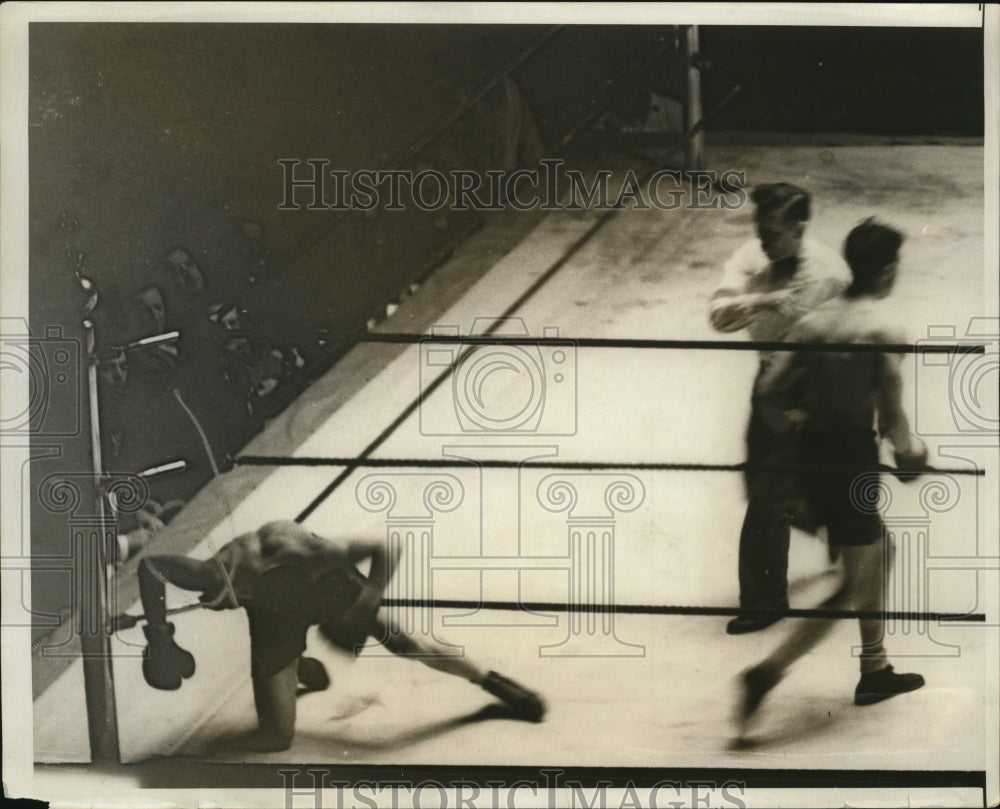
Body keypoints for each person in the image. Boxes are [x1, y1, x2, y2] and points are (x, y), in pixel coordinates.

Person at [735, 219, 927, 737]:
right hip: (851, 460)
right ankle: (768, 671)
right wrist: (914, 457)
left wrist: (797, 430)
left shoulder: (815, 324)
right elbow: (891, 420)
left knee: (879, 551)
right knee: (852, 584)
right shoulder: (882, 331)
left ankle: (875, 668)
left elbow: (770, 390)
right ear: (888, 270)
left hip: (809, 456)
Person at [138, 520, 546, 751]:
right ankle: (295, 662)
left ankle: (491, 681)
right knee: (277, 737)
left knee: (408, 644)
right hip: (273, 610)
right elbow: (151, 566)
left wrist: (370, 596)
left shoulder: (336, 576)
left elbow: (387, 545)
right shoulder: (222, 577)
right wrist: (159, 635)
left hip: (317, 593)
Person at [710, 183, 850, 634]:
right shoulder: (751, 257)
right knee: (761, 483)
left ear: (798, 227)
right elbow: (718, 318)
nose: (765, 240)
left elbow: (849, 339)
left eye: (773, 232)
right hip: (767, 381)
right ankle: (832, 522)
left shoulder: (830, 273)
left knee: (770, 496)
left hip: (813, 386)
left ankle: (764, 600)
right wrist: (765, 298)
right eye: (760, 229)